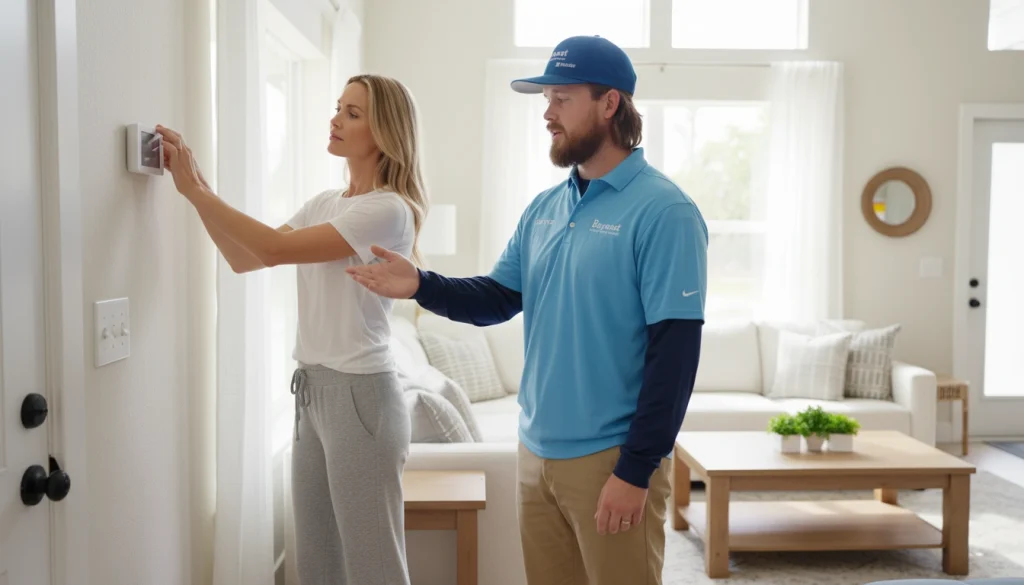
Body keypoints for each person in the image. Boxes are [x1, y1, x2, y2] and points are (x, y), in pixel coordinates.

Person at [346, 36, 707, 584]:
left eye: (561, 98)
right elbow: (497, 298)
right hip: (535, 454)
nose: (547, 114)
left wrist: (635, 471)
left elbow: (675, 358)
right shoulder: (545, 206)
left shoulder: (665, 212)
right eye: (546, 100)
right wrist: (421, 283)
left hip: (610, 459)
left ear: (610, 104)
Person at [157, 73, 426, 585]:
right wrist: (197, 193)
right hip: (311, 393)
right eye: (337, 107)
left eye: (352, 113)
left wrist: (196, 186)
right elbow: (245, 257)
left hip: (360, 398)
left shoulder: (387, 209)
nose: (335, 119)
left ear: (385, 131)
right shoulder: (326, 202)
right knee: (319, 567)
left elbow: (275, 251)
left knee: (375, 570)